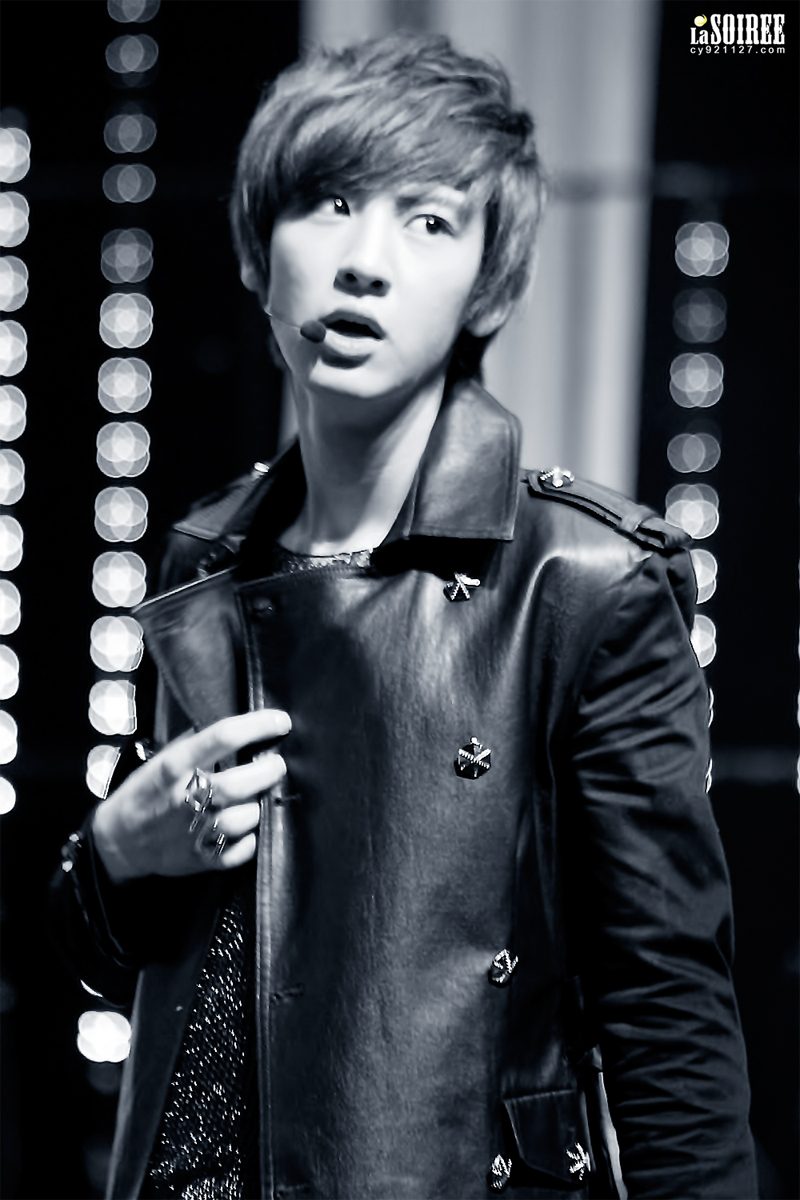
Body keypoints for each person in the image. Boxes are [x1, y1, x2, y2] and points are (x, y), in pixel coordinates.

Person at [52, 31, 757, 1200]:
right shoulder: (202, 557)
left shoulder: (583, 578)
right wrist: (117, 850)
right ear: (258, 252)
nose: (363, 264)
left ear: (487, 285)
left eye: (427, 221)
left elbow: (667, 1017)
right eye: (328, 204)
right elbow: (126, 961)